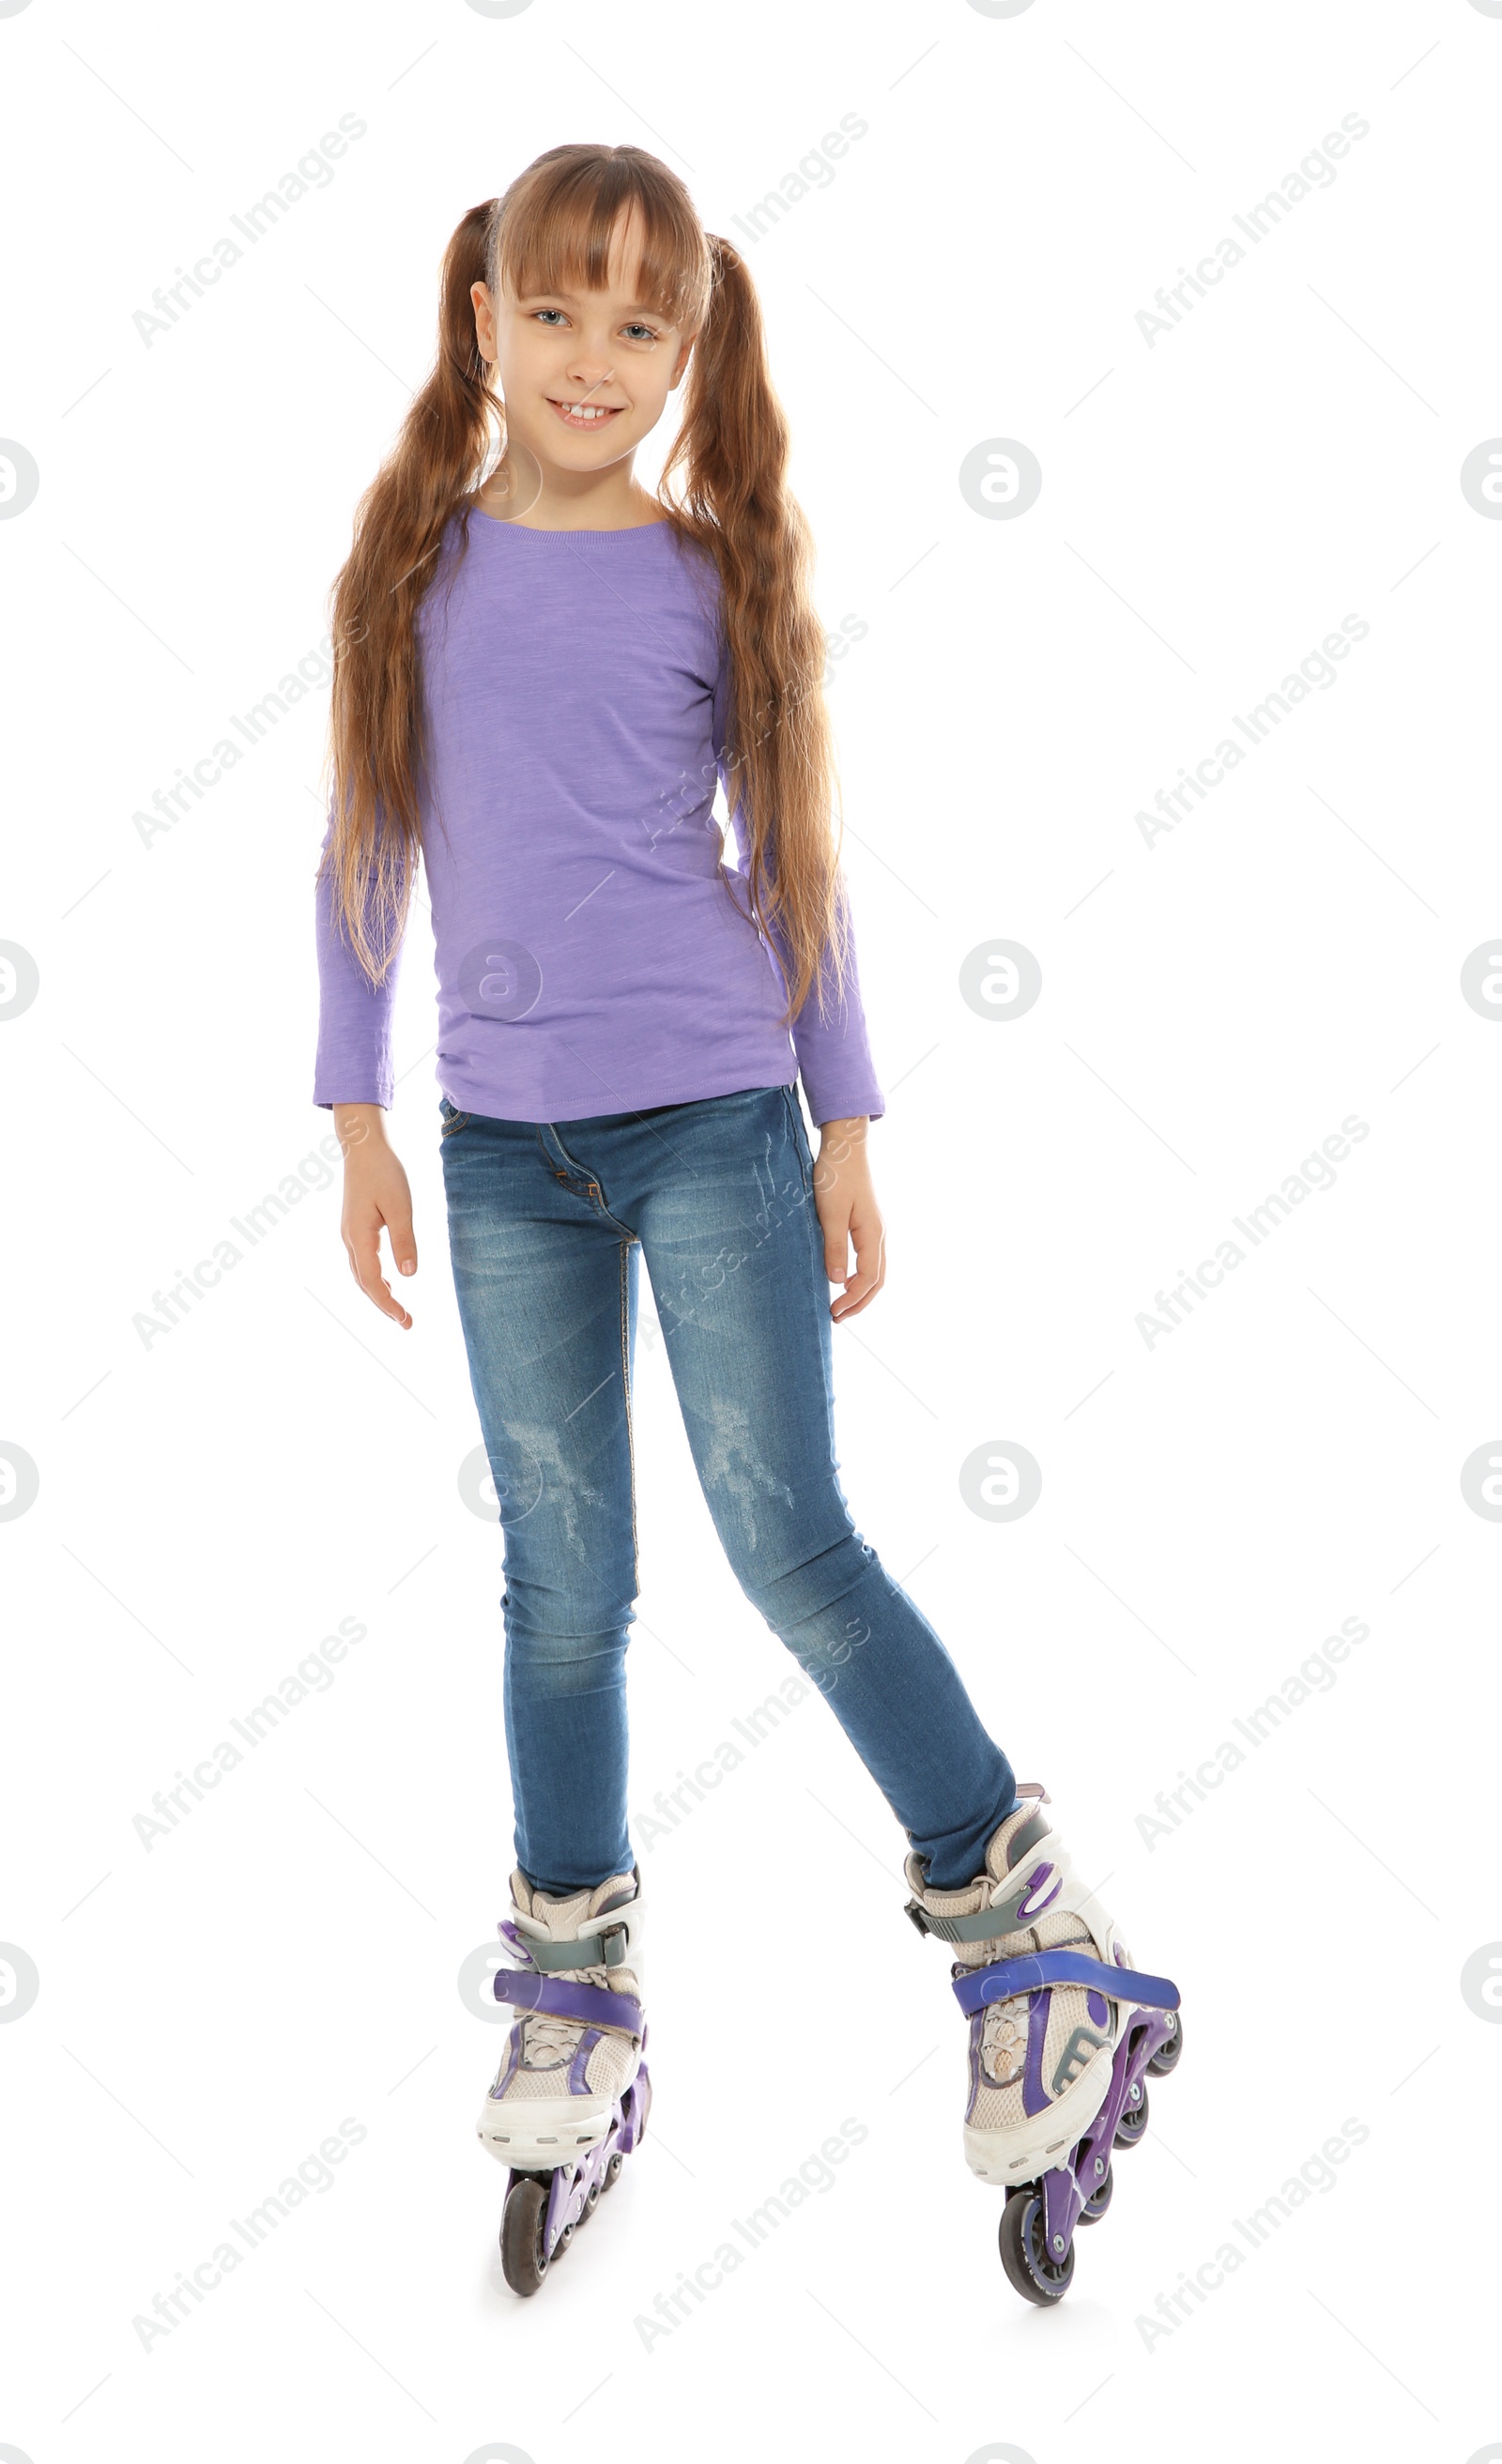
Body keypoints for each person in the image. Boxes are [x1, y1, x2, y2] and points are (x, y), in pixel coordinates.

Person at [313, 143, 1179, 2304]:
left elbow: (795, 855)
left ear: (686, 354)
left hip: (712, 1110)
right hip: (503, 1140)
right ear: (480, 313)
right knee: (559, 1580)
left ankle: (1025, 1920)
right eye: (558, 308)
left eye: (642, 324)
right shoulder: (409, 568)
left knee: (787, 1531)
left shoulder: (710, 574)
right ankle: (571, 1971)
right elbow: (360, 855)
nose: (593, 357)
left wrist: (845, 1124)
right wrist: (352, 1110)